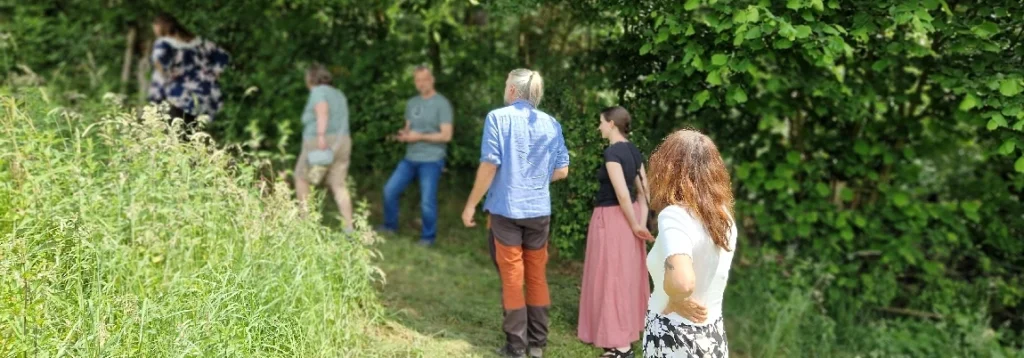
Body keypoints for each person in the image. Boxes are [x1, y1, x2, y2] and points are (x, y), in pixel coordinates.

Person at [462, 68, 570, 358]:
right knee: (536, 276)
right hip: (539, 213)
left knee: (512, 278)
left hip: (506, 210)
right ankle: (537, 346)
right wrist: (532, 178)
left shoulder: (497, 118)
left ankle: (516, 348)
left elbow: (489, 165)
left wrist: (472, 203)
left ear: (512, 90)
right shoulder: (552, 123)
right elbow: (562, 170)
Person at [642, 129, 737, 357]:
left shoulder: (675, 215)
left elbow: (683, 282)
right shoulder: (723, 216)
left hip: (674, 338)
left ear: (668, 169)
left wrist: (675, 299)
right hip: (711, 336)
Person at [577, 106, 653, 358]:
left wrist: (634, 225)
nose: (599, 127)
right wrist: (639, 224)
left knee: (611, 278)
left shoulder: (612, 152)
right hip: (630, 218)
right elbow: (644, 194)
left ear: (611, 123)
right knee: (624, 277)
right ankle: (620, 338)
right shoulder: (633, 151)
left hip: (612, 219)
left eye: (600, 122)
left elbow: (622, 193)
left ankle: (620, 347)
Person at [378, 66, 453, 246]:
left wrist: (419, 137)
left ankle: (428, 237)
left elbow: (446, 135)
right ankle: (390, 226)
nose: (421, 84)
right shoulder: (412, 103)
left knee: (427, 200)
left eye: (424, 79)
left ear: (432, 80)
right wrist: (404, 134)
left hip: (432, 160)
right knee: (389, 190)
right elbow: (408, 127)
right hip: (410, 158)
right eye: (417, 80)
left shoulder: (442, 104)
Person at [293, 63, 354, 232]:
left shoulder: (318, 92)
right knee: (339, 184)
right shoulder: (339, 94)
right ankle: (349, 228)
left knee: (302, 177)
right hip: (343, 142)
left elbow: (322, 111)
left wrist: (320, 136)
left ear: (311, 78)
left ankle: (305, 224)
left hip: (321, 142)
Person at [147, 12, 230, 136]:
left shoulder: (164, 43)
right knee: (195, 134)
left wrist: (166, 75)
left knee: (175, 136)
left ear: (161, 26)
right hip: (202, 94)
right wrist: (213, 74)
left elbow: (158, 60)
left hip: (178, 95)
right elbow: (223, 56)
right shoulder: (200, 43)